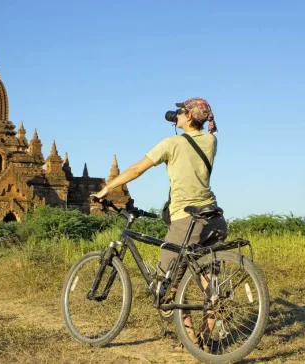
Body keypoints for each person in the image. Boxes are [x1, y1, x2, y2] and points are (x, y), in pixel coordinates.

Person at [91, 97, 228, 350]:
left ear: (188, 117)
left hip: (187, 219)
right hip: (214, 218)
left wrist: (107, 188)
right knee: (210, 282)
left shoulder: (172, 143)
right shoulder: (211, 141)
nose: (176, 115)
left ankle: (190, 340)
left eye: (181, 112)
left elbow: (136, 169)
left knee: (166, 285)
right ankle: (212, 339)